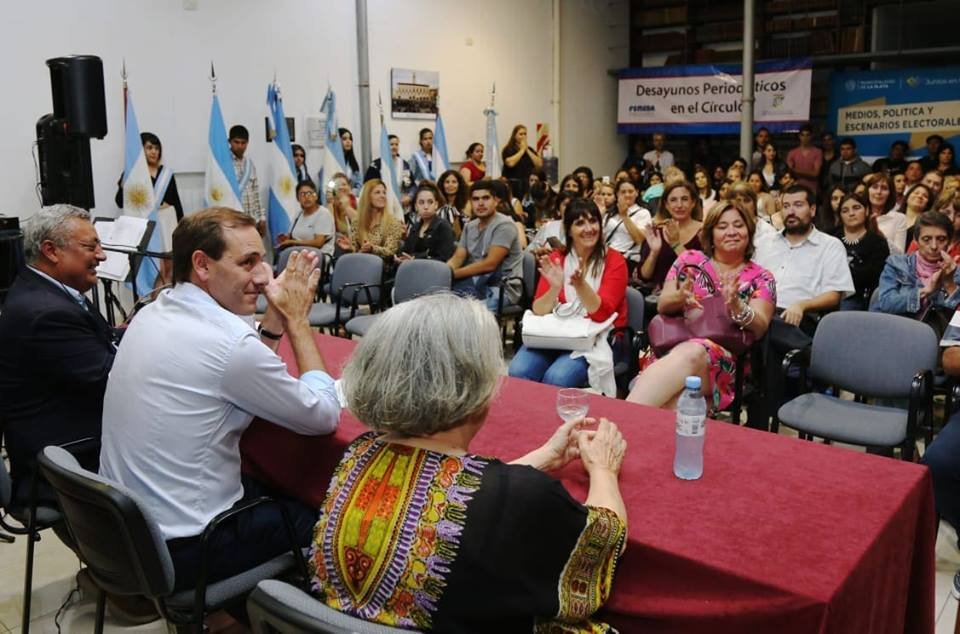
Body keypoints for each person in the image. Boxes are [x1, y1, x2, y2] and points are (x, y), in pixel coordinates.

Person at [310, 293, 627, 632]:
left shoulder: (361, 452)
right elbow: (604, 539)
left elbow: (452, 494)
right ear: (474, 386)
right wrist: (604, 470)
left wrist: (541, 458)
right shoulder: (521, 495)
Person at [99, 207, 340, 592]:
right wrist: (297, 320)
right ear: (202, 265)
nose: (263, 277)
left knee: (269, 480)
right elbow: (324, 415)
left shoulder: (151, 312)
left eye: (262, 260)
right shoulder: (228, 343)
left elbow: (238, 373)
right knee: (328, 516)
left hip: (130, 534)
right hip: (188, 546)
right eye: (247, 263)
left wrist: (275, 321)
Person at [0, 205, 115, 502]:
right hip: (68, 458)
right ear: (51, 251)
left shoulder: (48, 291)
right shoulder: (46, 313)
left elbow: (99, 342)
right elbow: (113, 380)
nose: (102, 256)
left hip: (72, 437)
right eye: (91, 247)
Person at [628, 201, 776, 412]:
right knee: (677, 404)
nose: (732, 232)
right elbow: (663, 305)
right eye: (722, 227)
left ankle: (620, 423)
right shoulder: (690, 260)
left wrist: (736, 305)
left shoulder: (761, 277)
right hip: (671, 349)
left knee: (694, 352)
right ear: (710, 234)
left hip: (725, 364)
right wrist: (680, 298)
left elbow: (760, 326)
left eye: (738, 225)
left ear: (749, 232)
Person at [509, 199, 628, 394]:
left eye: (593, 221)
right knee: (518, 371)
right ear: (568, 229)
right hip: (557, 334)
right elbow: (539, 310)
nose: (589, 228)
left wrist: (581, 286)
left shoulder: (614, 261)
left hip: (596, 337)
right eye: (580, 223)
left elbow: (602, 315)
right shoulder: (558, 258)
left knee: (557, 378)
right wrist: (555, 288)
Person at [754, 185, 854, 328]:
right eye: (786, 206)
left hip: (797, 318)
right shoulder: (765, 242)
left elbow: (834, 295)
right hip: (756, 312)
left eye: (798, 205)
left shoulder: (830, 245)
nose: (791, 211)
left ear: (812, 210)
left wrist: (802, 305)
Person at [114, 131, 185, 286]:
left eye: (157, 148)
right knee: (152, 266)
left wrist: (182, 227)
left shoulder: (166, 173)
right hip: (147, 225)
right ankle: (152, 299)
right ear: (141, 150)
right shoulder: (132, 174)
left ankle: (166, 296)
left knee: (168, 266)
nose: (154, 152)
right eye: (149, 147)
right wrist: (122, 186)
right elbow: (120, 202)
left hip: (167, 222)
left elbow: (176, 202)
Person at [448, 180, 524, 310]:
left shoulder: (505, 225)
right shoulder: (469, 227)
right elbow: (457, 258)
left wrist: (452, 275)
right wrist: (443, 272)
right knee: (439, 304)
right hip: (473, 283)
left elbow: (490, 264)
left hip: (501, 288)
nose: (481, 203)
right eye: (476, 199)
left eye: (486, 198)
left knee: (463, 311)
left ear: (496, 201)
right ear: (471, 203)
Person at [872, 210, 960, 318]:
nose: (934, 246)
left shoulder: (955, 273)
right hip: (895, 328)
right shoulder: (897, 264)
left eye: (941, 239)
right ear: (916, 240)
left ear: (949, 241)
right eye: (926, 239)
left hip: (933, 333)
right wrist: (924, 292)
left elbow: (956, 322)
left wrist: (949, 283)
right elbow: (886, 303)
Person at [639, 180, 704, 290]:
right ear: (666, 205)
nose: (679, 205)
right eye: (673, 200)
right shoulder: (657, 232)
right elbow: (644, 276)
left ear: (693, 203)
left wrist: (675, 244)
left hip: (694, 296)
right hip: (658, 298)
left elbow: (701, 273)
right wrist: (654, 253)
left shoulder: (704, 232)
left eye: (684, 199)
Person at [832, 193, 890, 310]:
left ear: (867, 210)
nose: (851, 213)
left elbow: (875, 275)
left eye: (856, 208)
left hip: (859, 295)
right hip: (825, 290)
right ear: (840, 216)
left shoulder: (878, 242)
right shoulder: (830, 237)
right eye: (845, 210)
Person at [336, 179, 404, 263]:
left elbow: (390, 252)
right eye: (377, 192)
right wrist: (350, 247)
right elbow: (356, 252)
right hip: (361, 264)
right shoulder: (356, 222)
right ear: (367, 197)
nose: (382, 196)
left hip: (383, 269)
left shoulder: (394, 222)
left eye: (384, 192)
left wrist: (372, 248)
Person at [397, 182, 457, 263]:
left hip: (434, 271)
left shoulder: (443, 226)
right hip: (413, 270)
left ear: (436, 205)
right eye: (421, 203)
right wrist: (399, 258)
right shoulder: (415, 227)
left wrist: (415, 260)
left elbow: (445, 258)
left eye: (430, 202)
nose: (426, 207)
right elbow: (405, 251)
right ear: (416, 206)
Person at [275, 180, 335, 258]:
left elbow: (318, 243)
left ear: (316, 196)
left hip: (318, 257)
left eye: (310, 193)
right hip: (298, 255)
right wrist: (286, 239)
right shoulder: (299, 214)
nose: (307, 197)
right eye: (302, 194)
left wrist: (293, 242)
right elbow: (292, 236)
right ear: (297, 198)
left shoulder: (323, 213)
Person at [602, 178, 650, 267]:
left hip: (627, 259)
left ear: (637, 192)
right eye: (623, 192)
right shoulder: (610, 212)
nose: (627, 195)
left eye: (630, 191)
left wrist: (624, 216)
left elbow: (639, 239)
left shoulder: (643, 213)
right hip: (606, 256)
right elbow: (602, 237)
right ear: (617, 194)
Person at [229, 125, 265, 235]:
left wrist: (261, 217)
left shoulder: (249, 164)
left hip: (251, 219)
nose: (240, 146)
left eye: (243, 143)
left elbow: (255, 192)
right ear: (229, 142)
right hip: (232, 220)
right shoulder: (224, 164)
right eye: (236, 142)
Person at [363, 133, 414, 212]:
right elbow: (368, 186)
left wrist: (409, 197)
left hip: (401, 206)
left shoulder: (404, 164)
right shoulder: (376, 165)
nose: (394, 147)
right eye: (391, 144)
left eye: (396, 144)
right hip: (381, 206)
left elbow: (412, 186)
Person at [865, 172, 907, 255]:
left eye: (884, 188)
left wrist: (879, 235)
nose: (878, 192)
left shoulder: (899, 218)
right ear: (868, 190)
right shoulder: (859, 215)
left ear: (890, 194)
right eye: (875, 187)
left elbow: (899, 255)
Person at [728, 181, 779, 247]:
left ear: (754, 204)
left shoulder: (767, 231)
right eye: (738, 201)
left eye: (746, 201)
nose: (742, 205)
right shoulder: (724, 229)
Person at [501, 124, 543, 197]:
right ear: (514, 136)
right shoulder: (508, 149)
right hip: (513, 186)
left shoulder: (530, 150)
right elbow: (510, 163)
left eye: (525, 134)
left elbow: (539, 164)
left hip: (528, 185)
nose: (523, 136)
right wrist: (522, 150)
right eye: (521, 134)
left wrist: (526, 149)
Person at [786, 124, 823, 194]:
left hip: (812, 189)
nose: (805, 138)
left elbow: (815, 173)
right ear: (799, 136)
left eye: (807, 135)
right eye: (803, 135)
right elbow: (789, 171)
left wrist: (795, 170)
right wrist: (808, 172)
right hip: (796, 188)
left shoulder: (817, 152)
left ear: (811, 136)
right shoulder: (792, 153)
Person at [437, 169, 469, 237]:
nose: (450, 185)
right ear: (442, 184)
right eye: (447, 182)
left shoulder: (467, 204)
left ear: (459, 184)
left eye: (454, 182)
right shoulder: (437, 205)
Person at [338, 128, 362, 193]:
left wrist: (351, 193)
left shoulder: (352, 162)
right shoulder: (330, 161)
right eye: (344, 139)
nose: (348, 141)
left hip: (350, 197)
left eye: (350, 139)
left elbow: (359, 184)